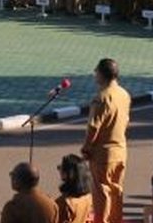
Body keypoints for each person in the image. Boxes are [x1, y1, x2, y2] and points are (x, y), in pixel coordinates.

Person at [82, 57, 131, 223]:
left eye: (96, 71)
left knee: (101, 193)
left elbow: (93, 128)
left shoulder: (101, 98)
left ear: (102, 75)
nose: (95, 74)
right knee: (116, 191)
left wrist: (87, 148)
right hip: (121, 150)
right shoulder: (124, 94)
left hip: (103, 153)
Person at [55, 154, 92, 223]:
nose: (59, 170)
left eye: (61, 168)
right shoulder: (88, 198)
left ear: (67, 174)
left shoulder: (64, 203)